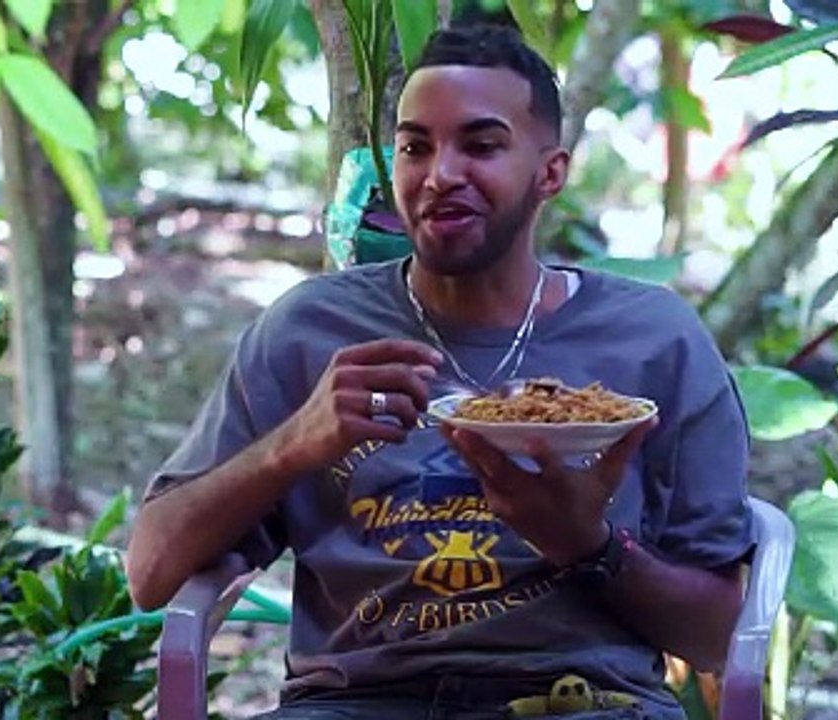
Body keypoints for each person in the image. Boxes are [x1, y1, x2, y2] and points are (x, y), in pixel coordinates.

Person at [127, 24, 753, 720]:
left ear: (551, 173)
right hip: (355, 703)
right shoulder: (308, 331)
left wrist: (588, 544)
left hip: (580, 702)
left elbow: (718, 636)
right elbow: (152, 573)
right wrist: (295, 442)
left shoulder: (652, 339)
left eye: (480, 146)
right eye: (414, 146)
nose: (440, 173)